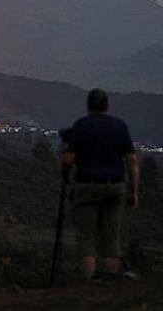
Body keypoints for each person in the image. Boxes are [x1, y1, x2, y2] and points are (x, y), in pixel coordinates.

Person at [61, 88, 140, 280]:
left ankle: (91, 282)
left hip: (87, 186)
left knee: (87, 236)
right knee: (111, 236)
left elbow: (69, 159)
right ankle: (111, 282)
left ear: (88, 105)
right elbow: (132, 161)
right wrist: (134, 191)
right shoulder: (120, 126)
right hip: (115, 187)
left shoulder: (81, 126)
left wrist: (66, 175)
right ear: (106, 105)